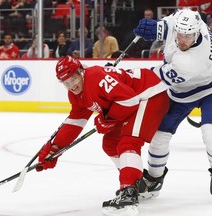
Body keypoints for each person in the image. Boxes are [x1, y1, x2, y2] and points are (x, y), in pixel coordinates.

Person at [133, 8, 212, 199]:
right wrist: (157, 27)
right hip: (181, 91)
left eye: (187, 36)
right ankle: (154, 179)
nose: (182, 39)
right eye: (180, 34)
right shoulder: (193, 21)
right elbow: (174, 20)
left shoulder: (190, 62)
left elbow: (152, 78)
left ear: (197, 33)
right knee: (159, 137)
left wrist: (124, 78)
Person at [36, 55, 169, 215]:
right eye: (66, 82)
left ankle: (129, 191)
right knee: (110, 143)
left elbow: (130, 99)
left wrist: (108, 117)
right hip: (134, 100)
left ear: (80, 72)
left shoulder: (95, 78)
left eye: (73, 79)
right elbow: (75, 121)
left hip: (150, 94)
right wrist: (55, 147)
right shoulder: (76, 94)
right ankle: (138, 184)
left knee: (128, 142)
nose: (71, 86)